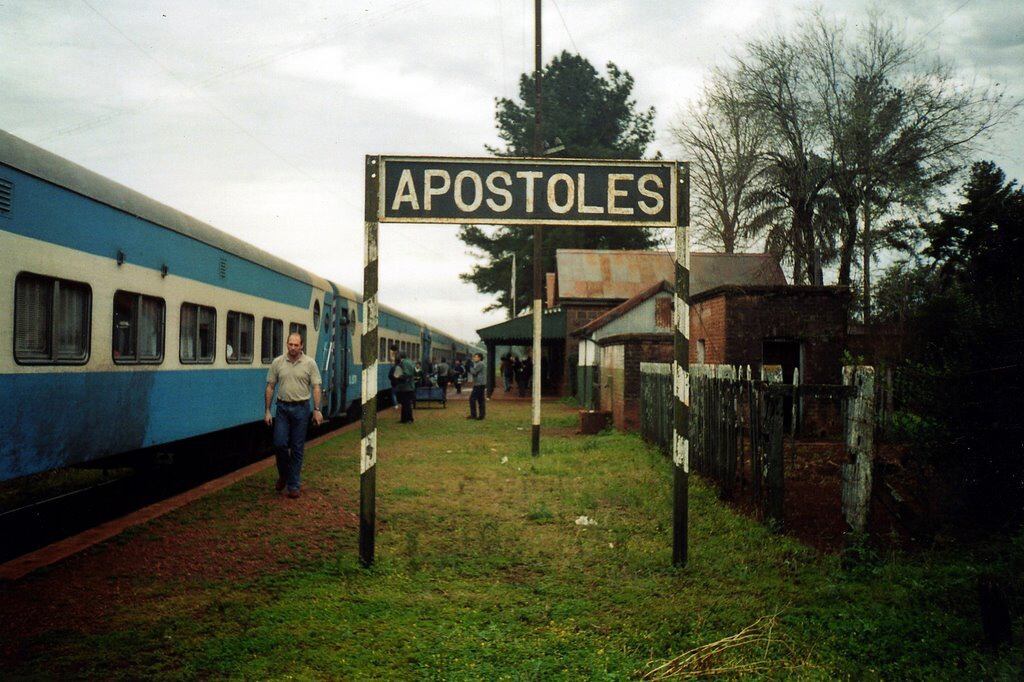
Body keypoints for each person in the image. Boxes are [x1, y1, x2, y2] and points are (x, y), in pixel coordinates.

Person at [264, 332, 323, 499]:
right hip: (282, 407)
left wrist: (317, 409)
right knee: (279, 443)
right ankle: (284, 474)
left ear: (302, 346)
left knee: (297, 448)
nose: (293, 347)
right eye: (290, 344)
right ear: (287, 344)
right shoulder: (278, 362)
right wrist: (267, 410)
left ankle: (293, 485)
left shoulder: (310, 363)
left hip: (302, 409)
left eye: (296, 345)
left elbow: (316, 386)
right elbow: (270, 386)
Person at [395, 351, 417, 423]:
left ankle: (408, 419)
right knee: (405, 404)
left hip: (406, 387)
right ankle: (404, 419)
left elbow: (407, 374)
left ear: (400, 356)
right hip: (410, 386)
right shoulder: (410, 361)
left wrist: (399, 377)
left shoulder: (404, 363)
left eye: (398, 355)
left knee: (406, 404)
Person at [468, 352, 486, 420]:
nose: (474, 358)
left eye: (476, 357)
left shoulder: (480, 364)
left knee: (472, 399)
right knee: (480, 400)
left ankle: (474, 415)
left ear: (480, 358)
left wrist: (470, 367)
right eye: (474, 357)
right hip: (480, 384)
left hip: (479, 384)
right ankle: (481, 415)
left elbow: (474, 372)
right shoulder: (480, 364)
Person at [387, 344, 400, 411]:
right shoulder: (398, 356)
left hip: (394, 381)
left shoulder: (392, 356)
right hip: (397, 381)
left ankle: (395, 405)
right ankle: (396, 404)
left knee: (394, 393)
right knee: (396, 393)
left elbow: (390, 375)